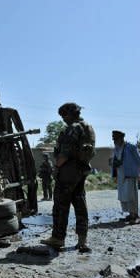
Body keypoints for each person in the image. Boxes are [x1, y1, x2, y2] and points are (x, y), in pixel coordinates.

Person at [41, 102, 95, 252]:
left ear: (69, 114)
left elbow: (64, 153)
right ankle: (82, 240)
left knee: (60, 205)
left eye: (64, 115)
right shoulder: (88, 128)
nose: (63, 119)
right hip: (81, 171)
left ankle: (58, 238)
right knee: (80, 205)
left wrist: (57, 167)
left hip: (68, 171)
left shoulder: (73, 129)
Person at [111, 130, 140, 224]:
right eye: (114, 139)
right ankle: (130, 214)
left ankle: (135, 215)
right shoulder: (116, 148)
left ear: (121, 138)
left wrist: (132, 169)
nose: (114, 141)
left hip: (130, 174)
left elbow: (139, 161)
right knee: (123, 195)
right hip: (120, 175)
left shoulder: (131, 147)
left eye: (116, 139)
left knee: (131, 195)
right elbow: (115, 160)